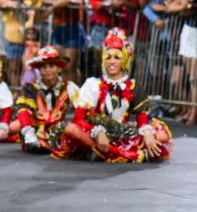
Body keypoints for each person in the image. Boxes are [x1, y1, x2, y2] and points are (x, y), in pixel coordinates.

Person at [54, 29, 172, 162]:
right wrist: (98, 132)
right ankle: (105, 150)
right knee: (71, 129)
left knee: (161, 136)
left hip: (122, 134)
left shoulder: (134, 86)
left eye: (117, 57)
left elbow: (142, 119)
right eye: (108, 57)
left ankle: (102, 152)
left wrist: (148, 133)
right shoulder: (93, 84)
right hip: (96, 134)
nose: (112, 62)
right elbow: (78, 119)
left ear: (125, 60)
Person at [12, 46, 74, 153]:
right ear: (38, 70)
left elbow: (82, 109)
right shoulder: (31, 88)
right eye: (43, 67)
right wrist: (28, 131)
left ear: (59, 68)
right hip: (35, 129)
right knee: (15, 125)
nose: (47, 70)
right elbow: (23, 109)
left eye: (51, 66)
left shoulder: (69, 87)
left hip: (59, 130)